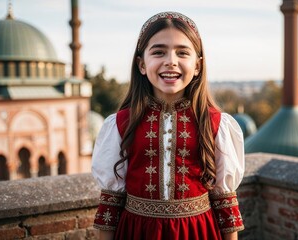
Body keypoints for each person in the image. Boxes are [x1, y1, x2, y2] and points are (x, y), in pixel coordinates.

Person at [92, 11, 245, 240]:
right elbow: (111, 202)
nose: (171, 61)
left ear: (197, 66)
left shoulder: (216, 123)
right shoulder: (120, 124)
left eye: (182, 52)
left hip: (198, 232)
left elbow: (225, 202)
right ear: (142, 64)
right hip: (137, 232)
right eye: (159, 52)